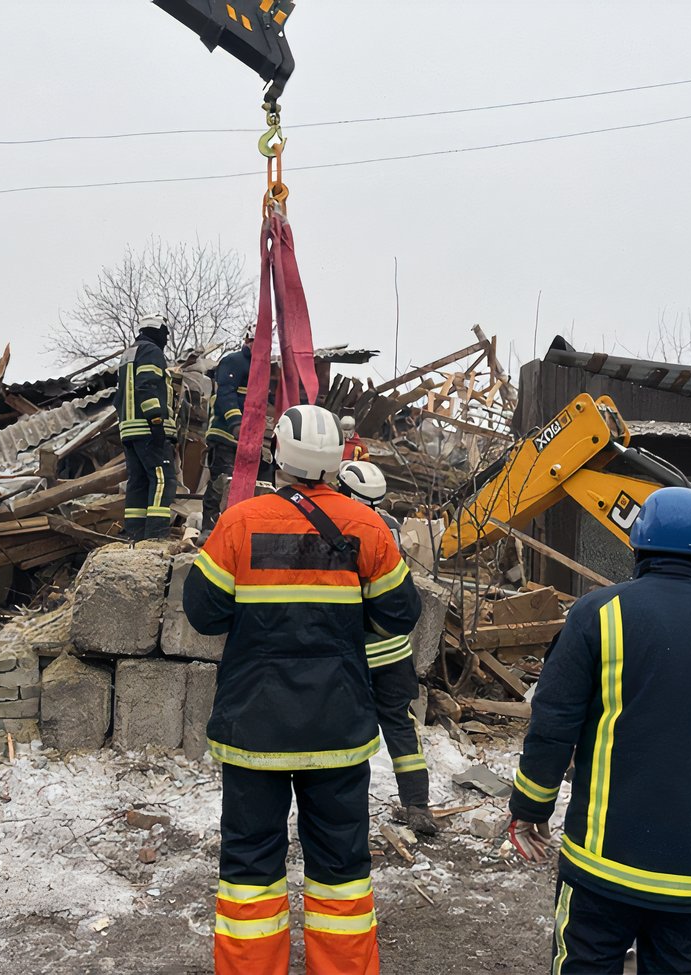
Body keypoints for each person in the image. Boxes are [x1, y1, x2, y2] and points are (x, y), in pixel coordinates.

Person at [507, 486, 691, 975]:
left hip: (600, 865)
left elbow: (553, 724)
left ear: (637, 545)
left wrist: (531, 808)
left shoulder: (598, 615)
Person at [184, 404, 421, 975]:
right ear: (337, 460)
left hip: (254, 731)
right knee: (341, 870)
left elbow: (203, 614)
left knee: (249, 870)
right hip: (338, 730)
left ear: (279, 457)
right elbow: (402, 612)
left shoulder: (241, 522)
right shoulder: (367, 529)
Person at [337, 460, 436, 837]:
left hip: (355, 654)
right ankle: (417, 804)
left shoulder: (341, 528)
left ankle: (346, 809)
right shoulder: (389, 528)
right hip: (394, 652)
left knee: (348, 731)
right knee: (400, 726)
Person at [116, 313, 176, 541]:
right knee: (163, 478)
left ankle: (135, 535)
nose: (167, 339)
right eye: (165, 334)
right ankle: (156, 536)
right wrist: (156, 420)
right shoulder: (151, 351)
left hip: (129, 430)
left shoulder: (128, 354)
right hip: (147, 428)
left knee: (138, 482)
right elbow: (146, 385)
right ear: (156, 330)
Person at [200, 334, 253, 541]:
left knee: (247, 486)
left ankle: (238, 529)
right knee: (222, 482)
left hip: (251, 440)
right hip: (225, 434)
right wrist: (236, 423)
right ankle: (210, 528)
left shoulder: (263, 368)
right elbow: (226, 394)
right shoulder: (234, 361)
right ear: (248, 341)